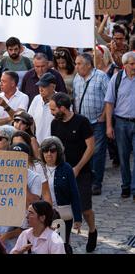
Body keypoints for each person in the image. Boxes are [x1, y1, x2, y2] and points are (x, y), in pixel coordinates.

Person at [50, 92, 98, 252]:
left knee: (85, 208)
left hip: (81, 172)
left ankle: (92, 230)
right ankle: (63, 243)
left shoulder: (81, 122)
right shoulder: (54, 124)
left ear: (62, 108)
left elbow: (91, 147)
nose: (51, 112)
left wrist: (77, 168)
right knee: (61, 208)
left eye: (53, 109)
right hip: (61, 171)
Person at [73, 53, 109, 196]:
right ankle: (86, 180)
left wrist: (103, 117)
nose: (76, 67)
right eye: (76, 63)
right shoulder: (77, 78)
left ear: (88, 65)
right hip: (82, 123)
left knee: (98, 153)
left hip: (97, 122)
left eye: (79, 63)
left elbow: (109, 99)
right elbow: (76, 98)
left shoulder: (101, 77)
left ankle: (96, 183)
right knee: (83, 152)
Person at [40, 137, 82, 253]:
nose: (49, 153)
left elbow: (74, 194)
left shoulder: (66, 169)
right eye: (45, 150)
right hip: (43, 214)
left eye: (52, 150)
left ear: (58, 152)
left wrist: (78, 218)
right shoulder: (38, 168)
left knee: (60, 244)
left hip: (62, 215)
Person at [104, 51, 135, 200]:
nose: (134, 67)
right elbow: (109, 103)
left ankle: (134, 188)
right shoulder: (116, 79)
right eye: (132, 64)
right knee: (123, 157)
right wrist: (109, 126)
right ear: (125, 65)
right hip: (121, 122)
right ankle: (126, 186)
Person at [28, 72, 57, 143]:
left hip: (55, 145)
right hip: (38, 144)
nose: (40, 89)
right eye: (39, 86)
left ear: (53, 87)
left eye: (44, 86)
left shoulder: (61, 99)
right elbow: (30, 121)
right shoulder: (36, 99)